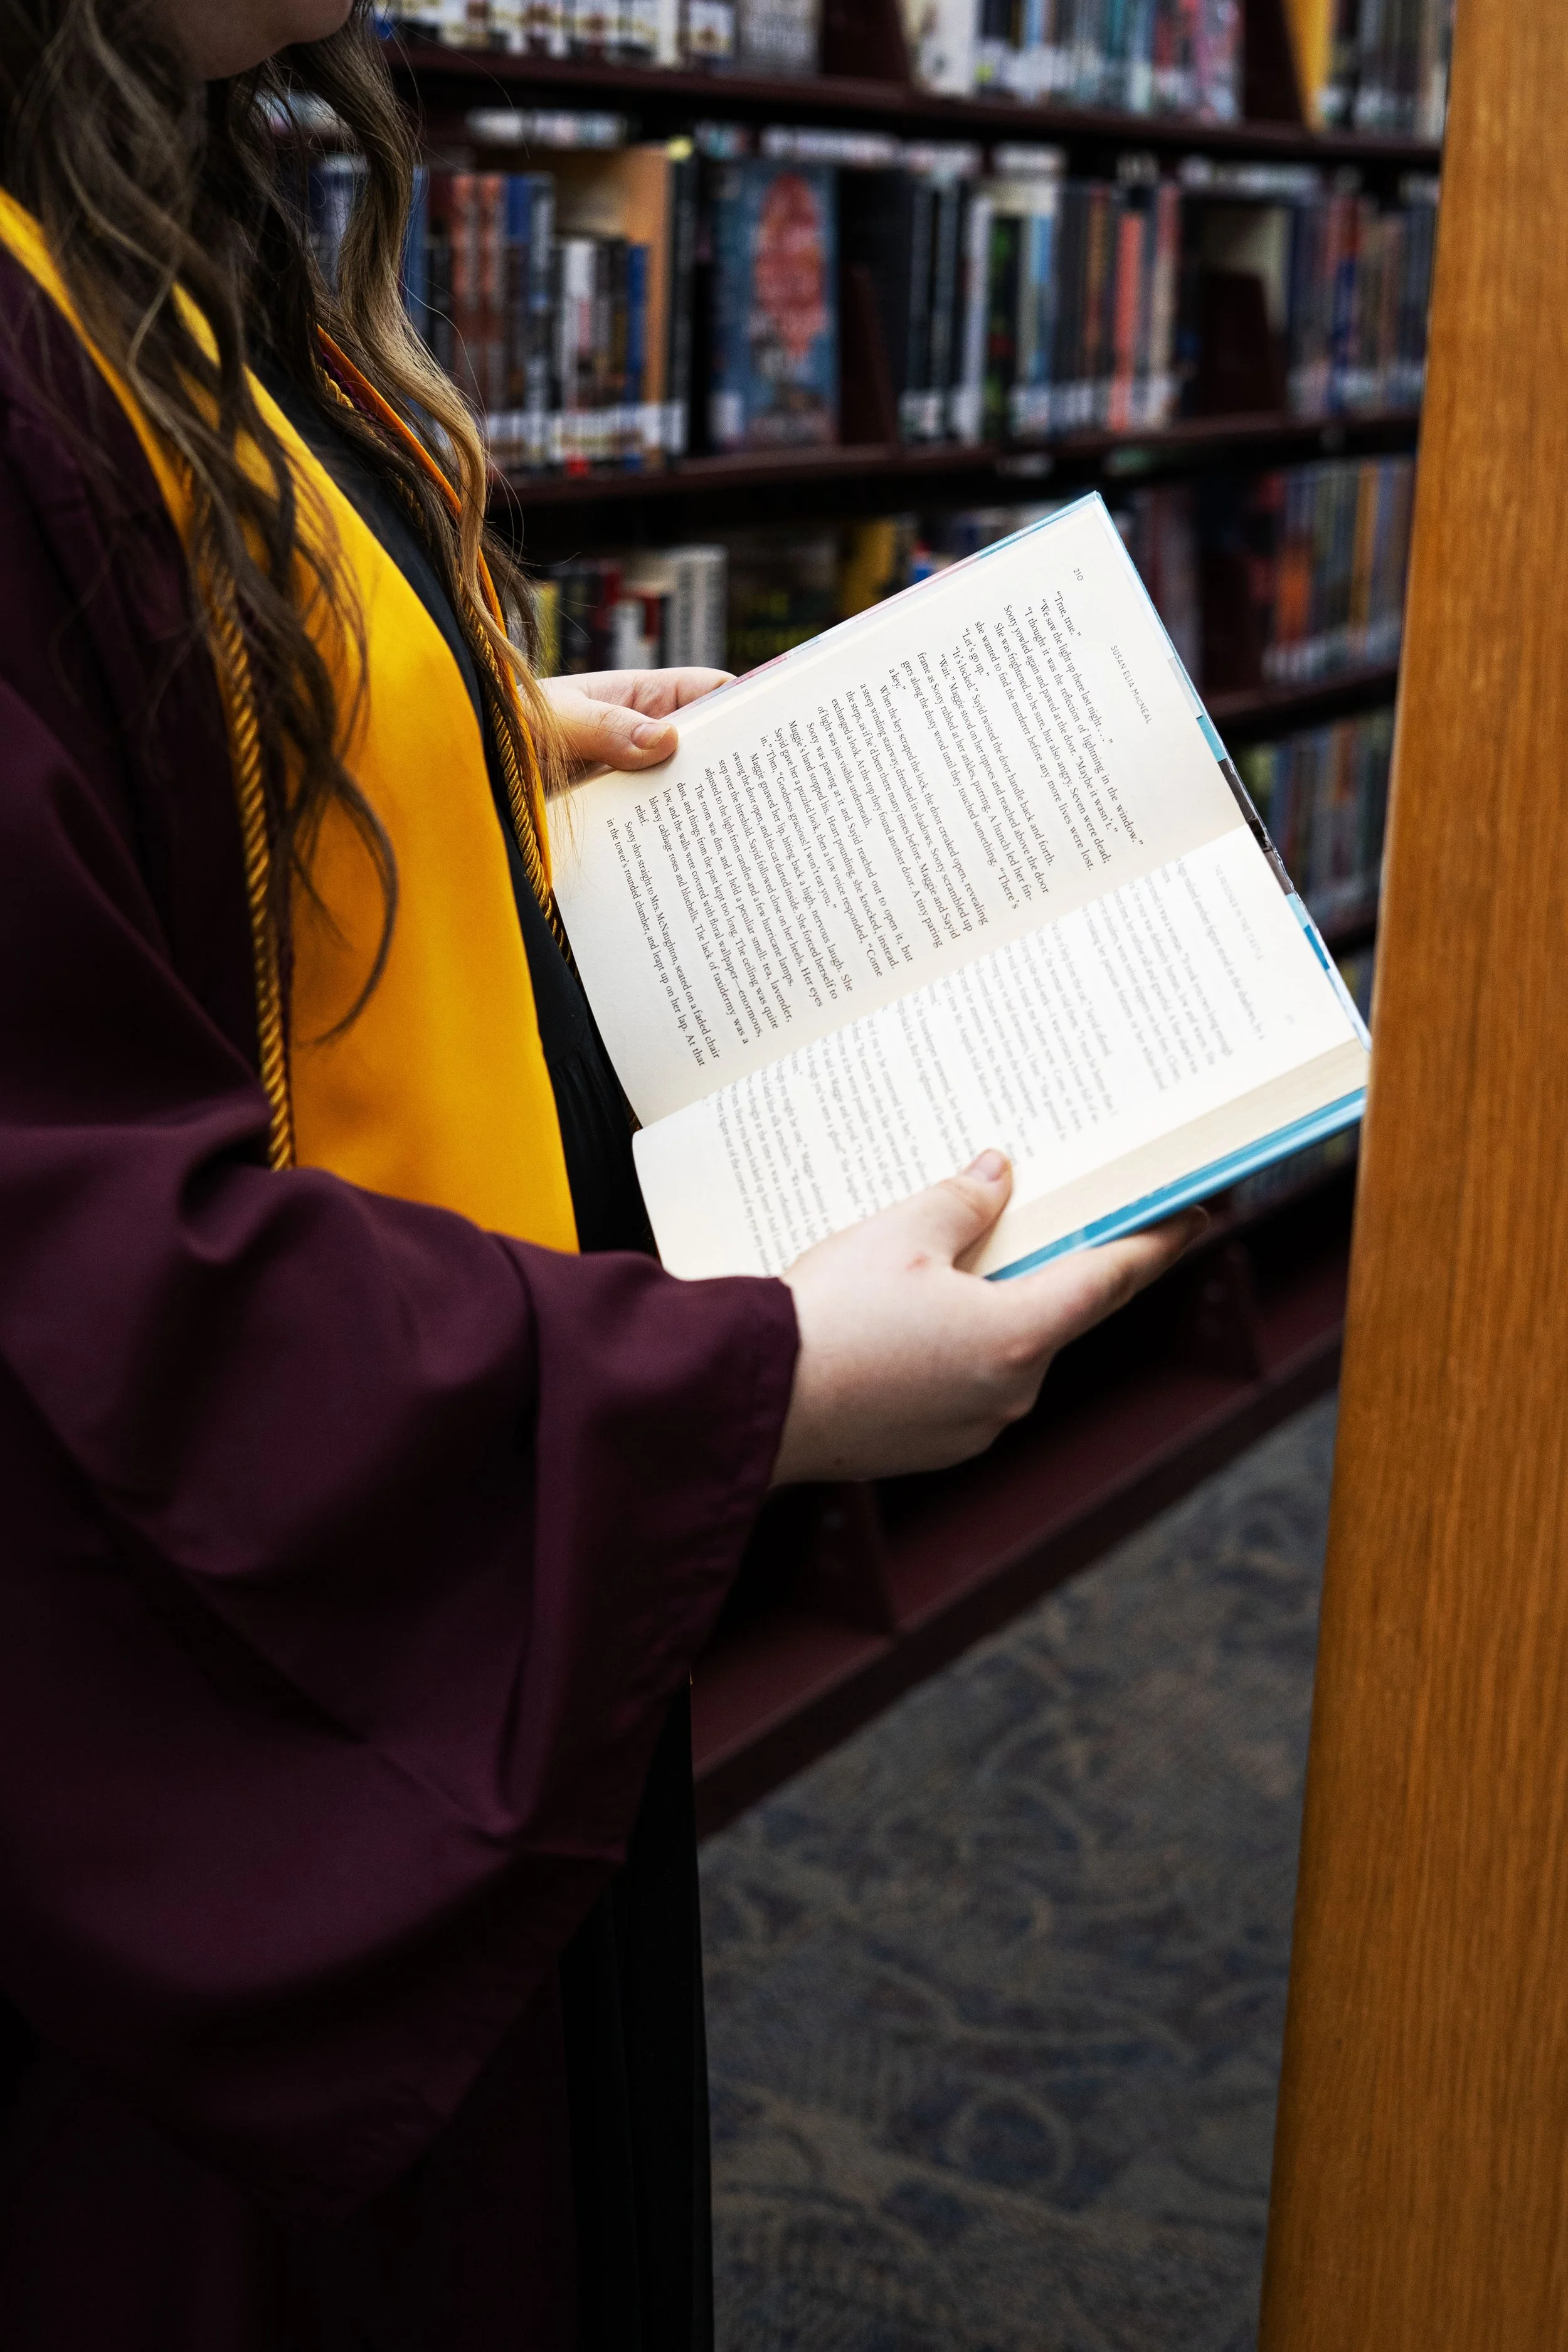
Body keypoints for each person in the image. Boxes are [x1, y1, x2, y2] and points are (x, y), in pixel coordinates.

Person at [0, 3, 1201, 2346]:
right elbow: (55, 1287)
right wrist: (743, 1387)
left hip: (446, 1550)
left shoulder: (134, 209)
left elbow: (134, 743)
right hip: (259, 1695)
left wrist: (445, 733)